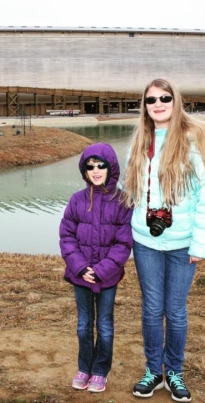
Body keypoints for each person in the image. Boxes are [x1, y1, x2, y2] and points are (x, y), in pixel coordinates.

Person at [120, 78, 205, 402]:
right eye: (151, 99)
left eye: (164, 97)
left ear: (175, 100)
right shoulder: (140, 141)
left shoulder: (195, 139)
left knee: (175, 310)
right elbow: (129, 190)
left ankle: (174, 372)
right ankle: (154, 371)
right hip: (146, 243)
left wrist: (201, 245)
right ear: (145, 105)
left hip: (183, 244)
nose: (158, 103)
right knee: (152, 309)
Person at [60, 142, 133, 394]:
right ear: (84, 170)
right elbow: (66, 237)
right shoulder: (77, 200)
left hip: (107, 277)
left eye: (101, 165)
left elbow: (124, 243)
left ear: (111, 167)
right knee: (83, 324)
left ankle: (100, 371)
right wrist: (81, 267)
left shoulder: (123, 201)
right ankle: (84, 367)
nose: (96, 170)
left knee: (104, 324)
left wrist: (101, 271)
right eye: (90, 166)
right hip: (80, 276)